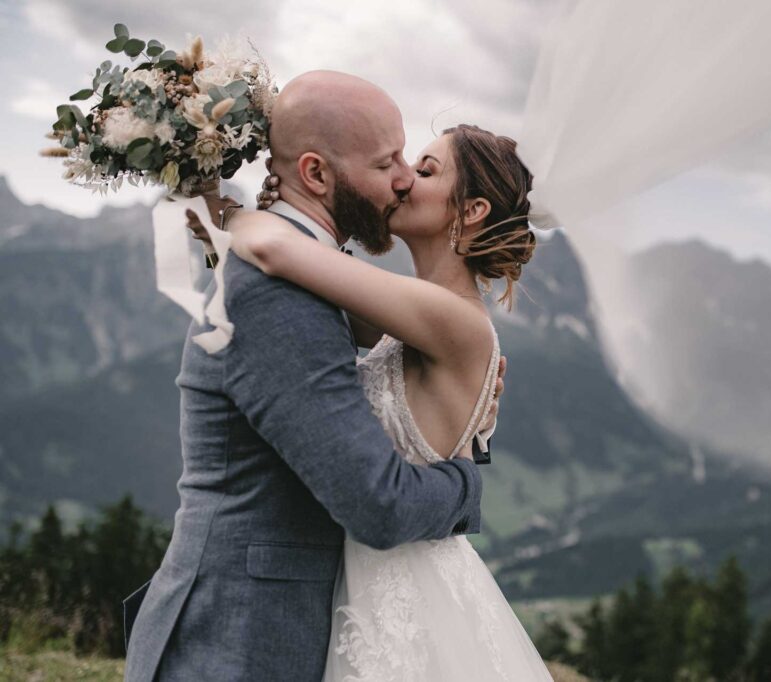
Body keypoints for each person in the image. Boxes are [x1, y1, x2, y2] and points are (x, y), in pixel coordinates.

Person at [123, 71, 501, 682]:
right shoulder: (277, 293)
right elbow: (377, 505)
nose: (404, 177)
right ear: (318, 175)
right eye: (389, 163)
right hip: (237, 641)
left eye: (414, 162)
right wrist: (465, 484)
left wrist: (457, 415)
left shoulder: (318, 281)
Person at [191, 120, 551, 679]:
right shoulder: (412, 314)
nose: (403, 179)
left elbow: (272, 246)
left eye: (425, 170)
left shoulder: (453, 319)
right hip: (367, 580)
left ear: (472, 210)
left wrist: (230, 208)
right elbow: (312, 280)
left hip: (403, 596)